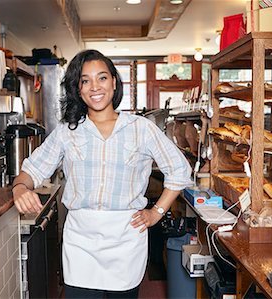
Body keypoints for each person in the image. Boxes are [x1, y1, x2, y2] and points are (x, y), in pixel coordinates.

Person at [12, 49, 192, 298]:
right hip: (81, 243)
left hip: (126, 241)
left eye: (102, 78)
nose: (94, 87)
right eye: (85, 80)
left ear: (114, 82)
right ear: (78, 89)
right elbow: (30, 171)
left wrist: (156, 212)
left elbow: (179, 170)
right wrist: (20, 188)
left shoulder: (141, 129)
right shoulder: (68, 132)